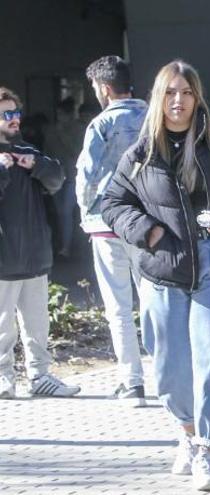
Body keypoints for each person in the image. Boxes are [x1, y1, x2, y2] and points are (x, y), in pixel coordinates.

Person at [101, 60, 210, 491]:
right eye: (171, 92)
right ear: (159, 98)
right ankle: (186, 433)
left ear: (197, 97)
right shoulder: (141, 152)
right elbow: (112, 203)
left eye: (187, 92)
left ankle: (207, 450)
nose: (179, 100)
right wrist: (146, 230)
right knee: (169, 364)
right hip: (163, 268)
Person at [75, 55, 148, 406]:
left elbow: (86, 176)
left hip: (106, 224)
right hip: (150, 225)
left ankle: (132, 382)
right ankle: (167, 376)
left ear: (104, 88)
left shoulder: (101, 124)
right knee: (153, 302)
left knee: (118, 306)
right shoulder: (155, 119)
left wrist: (85, 211)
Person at [0, 87, 80, 400]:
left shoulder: (29, 151)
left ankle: (40, 375)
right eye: (6, 114)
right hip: (4, 257)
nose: (13, 119)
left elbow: (57, 177)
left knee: (37, 323)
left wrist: (34, 166)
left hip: (34, 254)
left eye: (15, 113)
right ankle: (4, 377)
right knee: (3, 324)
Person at [44, 97, 86, 258]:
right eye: (58, 114)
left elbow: (77, 151)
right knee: (61, 213)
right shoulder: (51, 130)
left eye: (62, 114)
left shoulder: (79, 129)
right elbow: (46, 151)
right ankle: (65, 244)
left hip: (73, 176)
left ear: (70, 115)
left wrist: (63, 135)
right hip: (56, 175)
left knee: (66, 212)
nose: (59, 117)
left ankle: (67, 247)